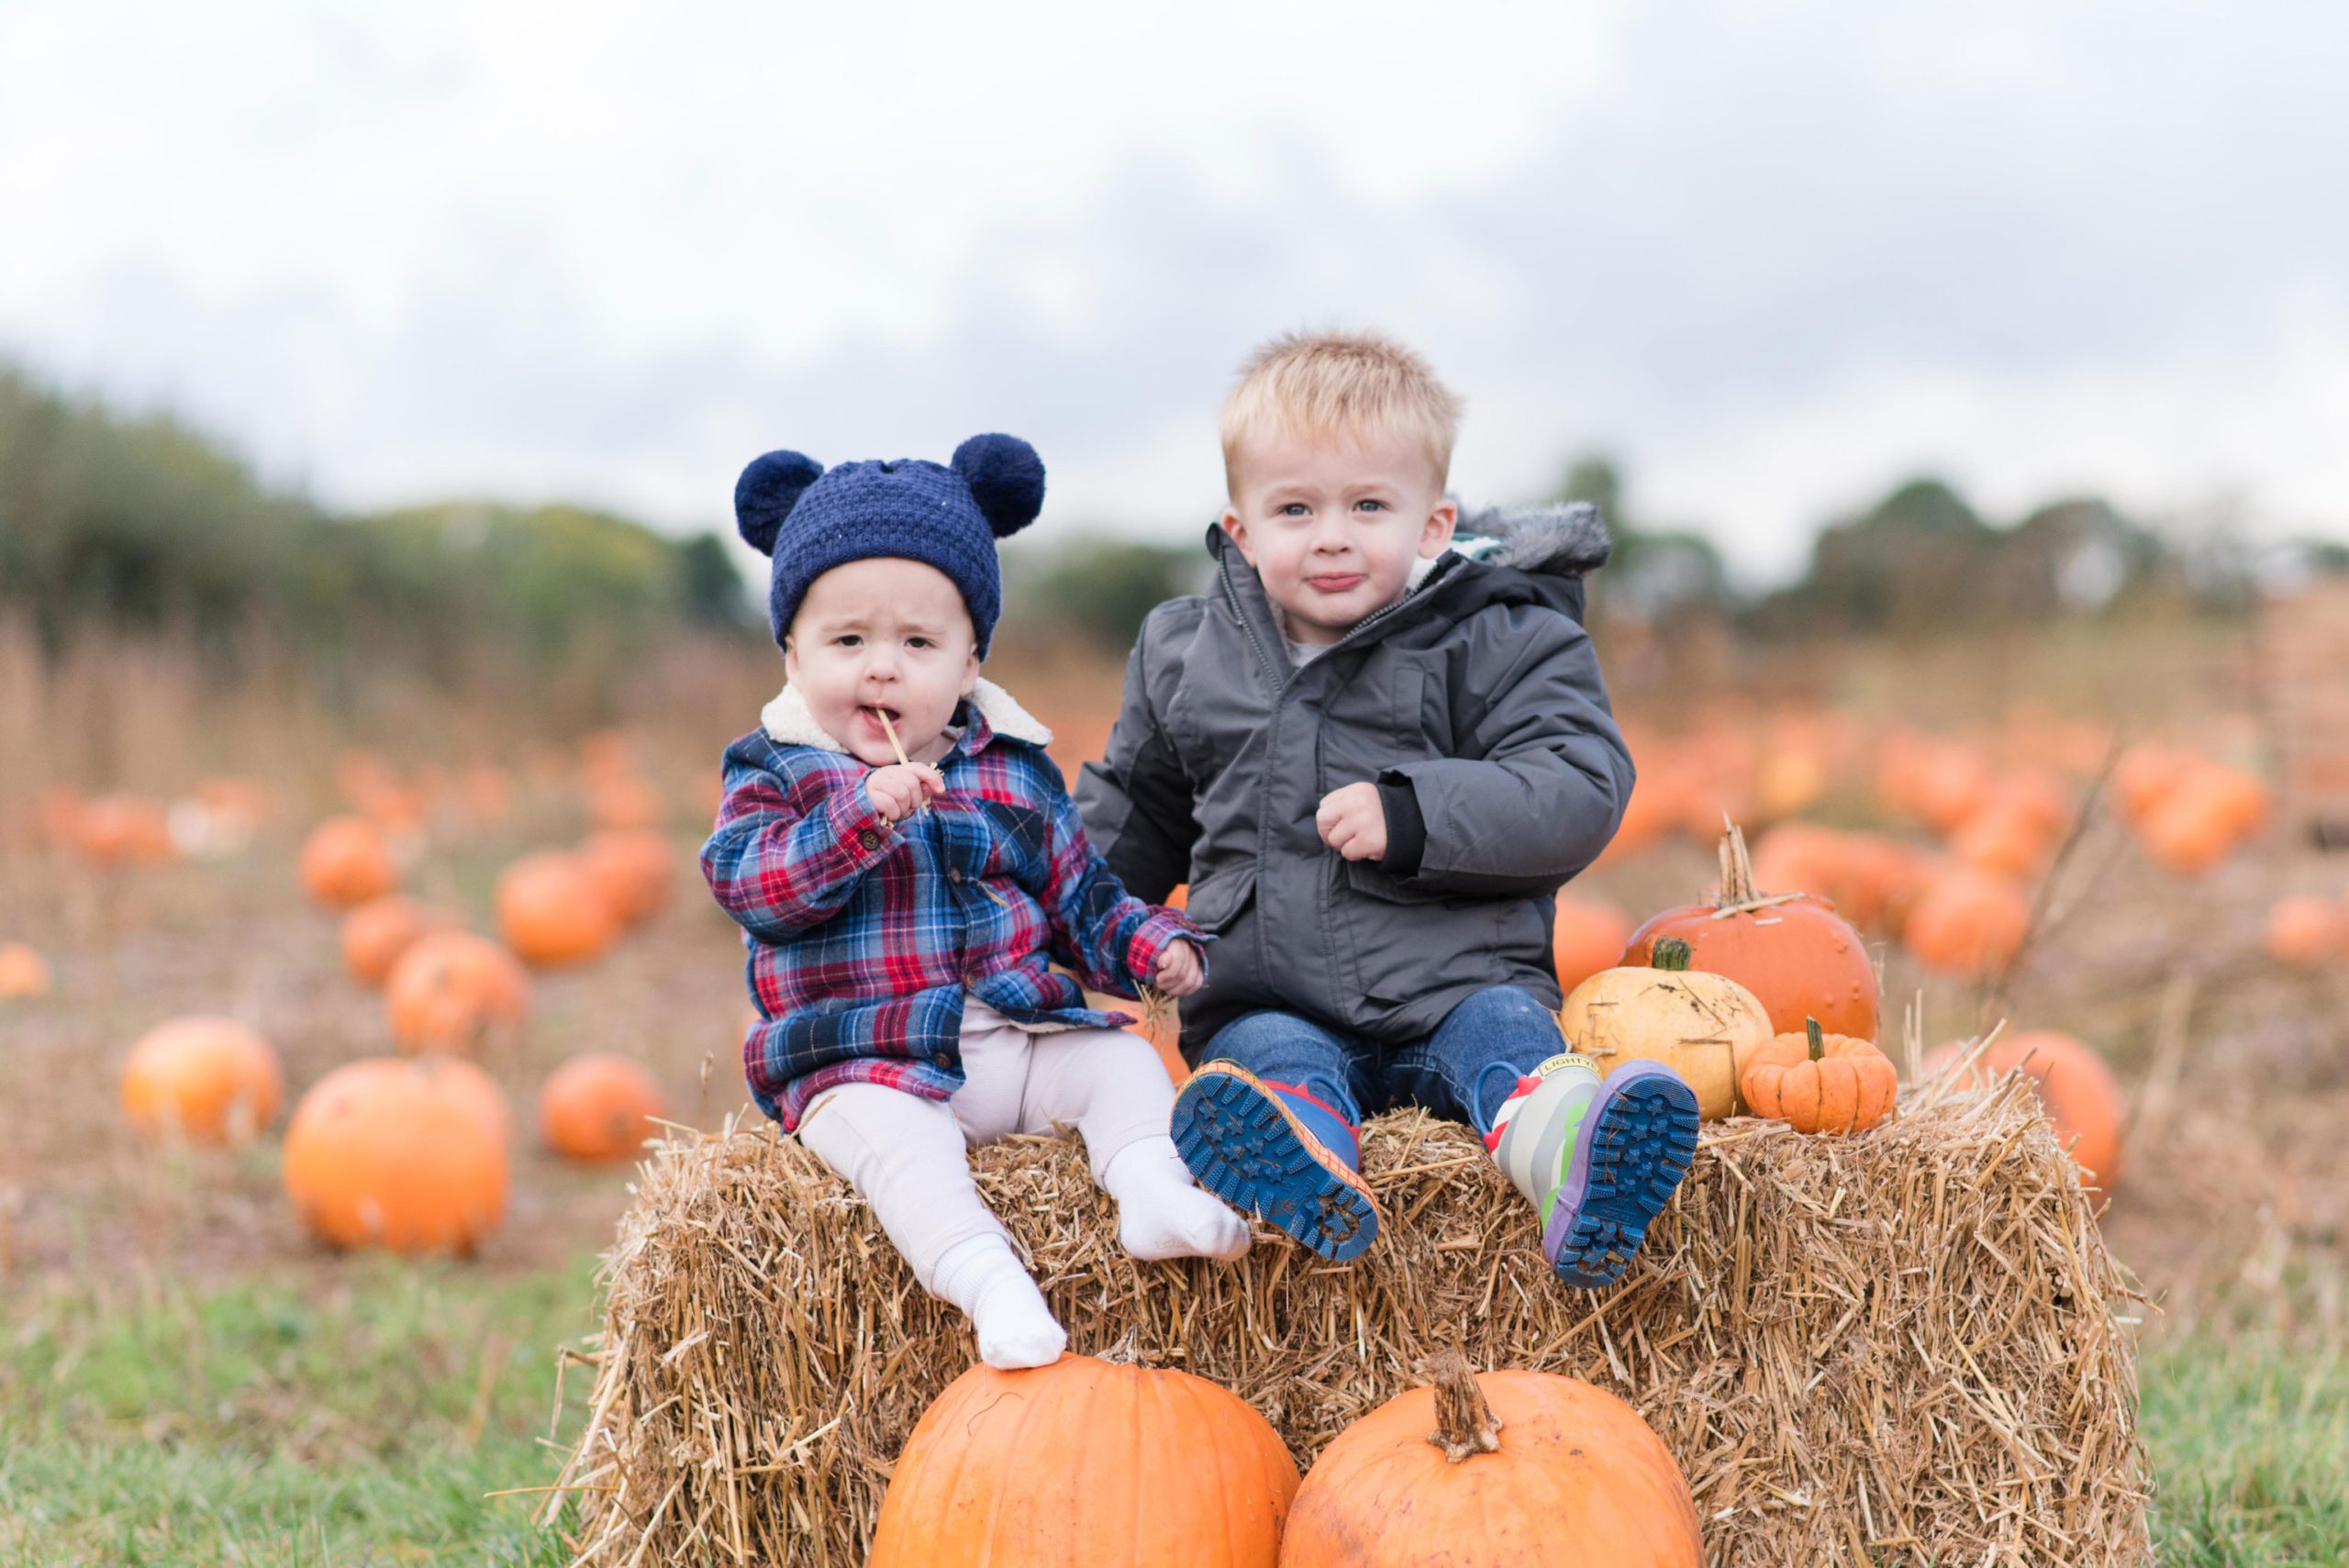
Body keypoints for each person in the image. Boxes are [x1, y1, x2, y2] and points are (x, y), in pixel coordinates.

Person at [1075, 331, 1697, 1288]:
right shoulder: (1182, 652)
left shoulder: (1501, 636)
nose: (1331, 533)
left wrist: (1414, 812)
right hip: (1263, 990)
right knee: (1269, 1065)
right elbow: (1133, 811)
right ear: (1239, 529)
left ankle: (1575, 1159)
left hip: (1459, 981)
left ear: (1432, 523)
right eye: (1295, 507)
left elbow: (1578, 780)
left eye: (1368, 504)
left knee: (1510, 1051)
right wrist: (1051, 915)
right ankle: (1305, 1168)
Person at [702, 434, 1248, 1371]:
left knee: (1118, 1063)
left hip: (1014, 1042)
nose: (882, 668)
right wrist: (853, 820)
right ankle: (987, 1277)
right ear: (791, 655)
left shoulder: (1011, 769)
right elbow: (753, 886)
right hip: (865, 1059)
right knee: (905, 1155)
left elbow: (1083, 897)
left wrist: (1151, 945)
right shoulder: (778, 770)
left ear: (969, 662)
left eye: (918, 643)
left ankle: (1150, 1186)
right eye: (847, 641)